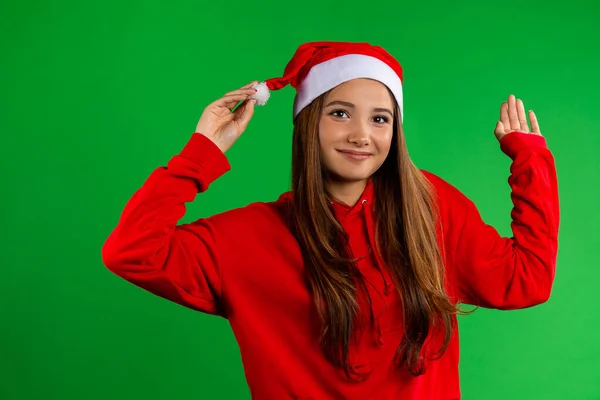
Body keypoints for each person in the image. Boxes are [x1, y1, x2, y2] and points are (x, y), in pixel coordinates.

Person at [101, 41, 560, 399]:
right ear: (308, 124)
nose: (362, 134)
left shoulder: (430, 209)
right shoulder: (251, 237)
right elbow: (132, 252)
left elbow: (528, 280)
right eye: (340, 113)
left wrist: (530, 161)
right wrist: (202, 151)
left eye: (380, 119)